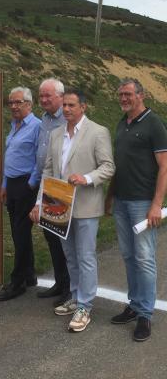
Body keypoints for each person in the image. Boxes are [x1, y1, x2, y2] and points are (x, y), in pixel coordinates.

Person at [30, 89, 115, 332]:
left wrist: (87, 178)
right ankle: (76, 297)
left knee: (86, 256)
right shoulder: (56, 134)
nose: (66, 109)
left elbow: (108, 167)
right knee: (70, 255)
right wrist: (39, 202)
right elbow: (47, 171)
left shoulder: (98, 132)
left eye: (71, 105)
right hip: (59, 206)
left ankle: (85, 307)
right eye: (64, 105)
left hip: (86, 205)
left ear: (83, 107)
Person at [106, 78, 167, 342]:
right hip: (121, 201)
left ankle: (145, 315)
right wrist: (109, 197)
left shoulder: (154, 124)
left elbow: (165, 167)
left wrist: (156, 204)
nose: (123, 98)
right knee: (129, 256)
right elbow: (118, 165)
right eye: (120, 94)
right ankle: (134, 304)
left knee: (144, 258)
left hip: (143, 203)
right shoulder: (122, 124)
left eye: (128, 94)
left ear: (141, 96)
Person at [0, 86, 41, 302]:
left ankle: (18, 282)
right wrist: (4, 183)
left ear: (29, 104)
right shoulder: (14, 126)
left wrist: (31, 184)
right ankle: (29, 274)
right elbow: (10, 156)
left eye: (18, 102)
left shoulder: (36, 127)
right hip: (12, 184)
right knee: (17, 232)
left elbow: (40, 160)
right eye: (11, 102)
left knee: (21, 232)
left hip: (25, 185)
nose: (13, 106)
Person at [34, 78, 70, 306]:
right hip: (44, 184)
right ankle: (59, 282)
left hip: (61, 187)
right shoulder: (44, 120)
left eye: (48, 96)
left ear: (60, 96)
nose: (44, 100)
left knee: (64, 240)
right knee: (50, 236)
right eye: (41, 96)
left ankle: (69, 287)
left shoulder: (67, 118)